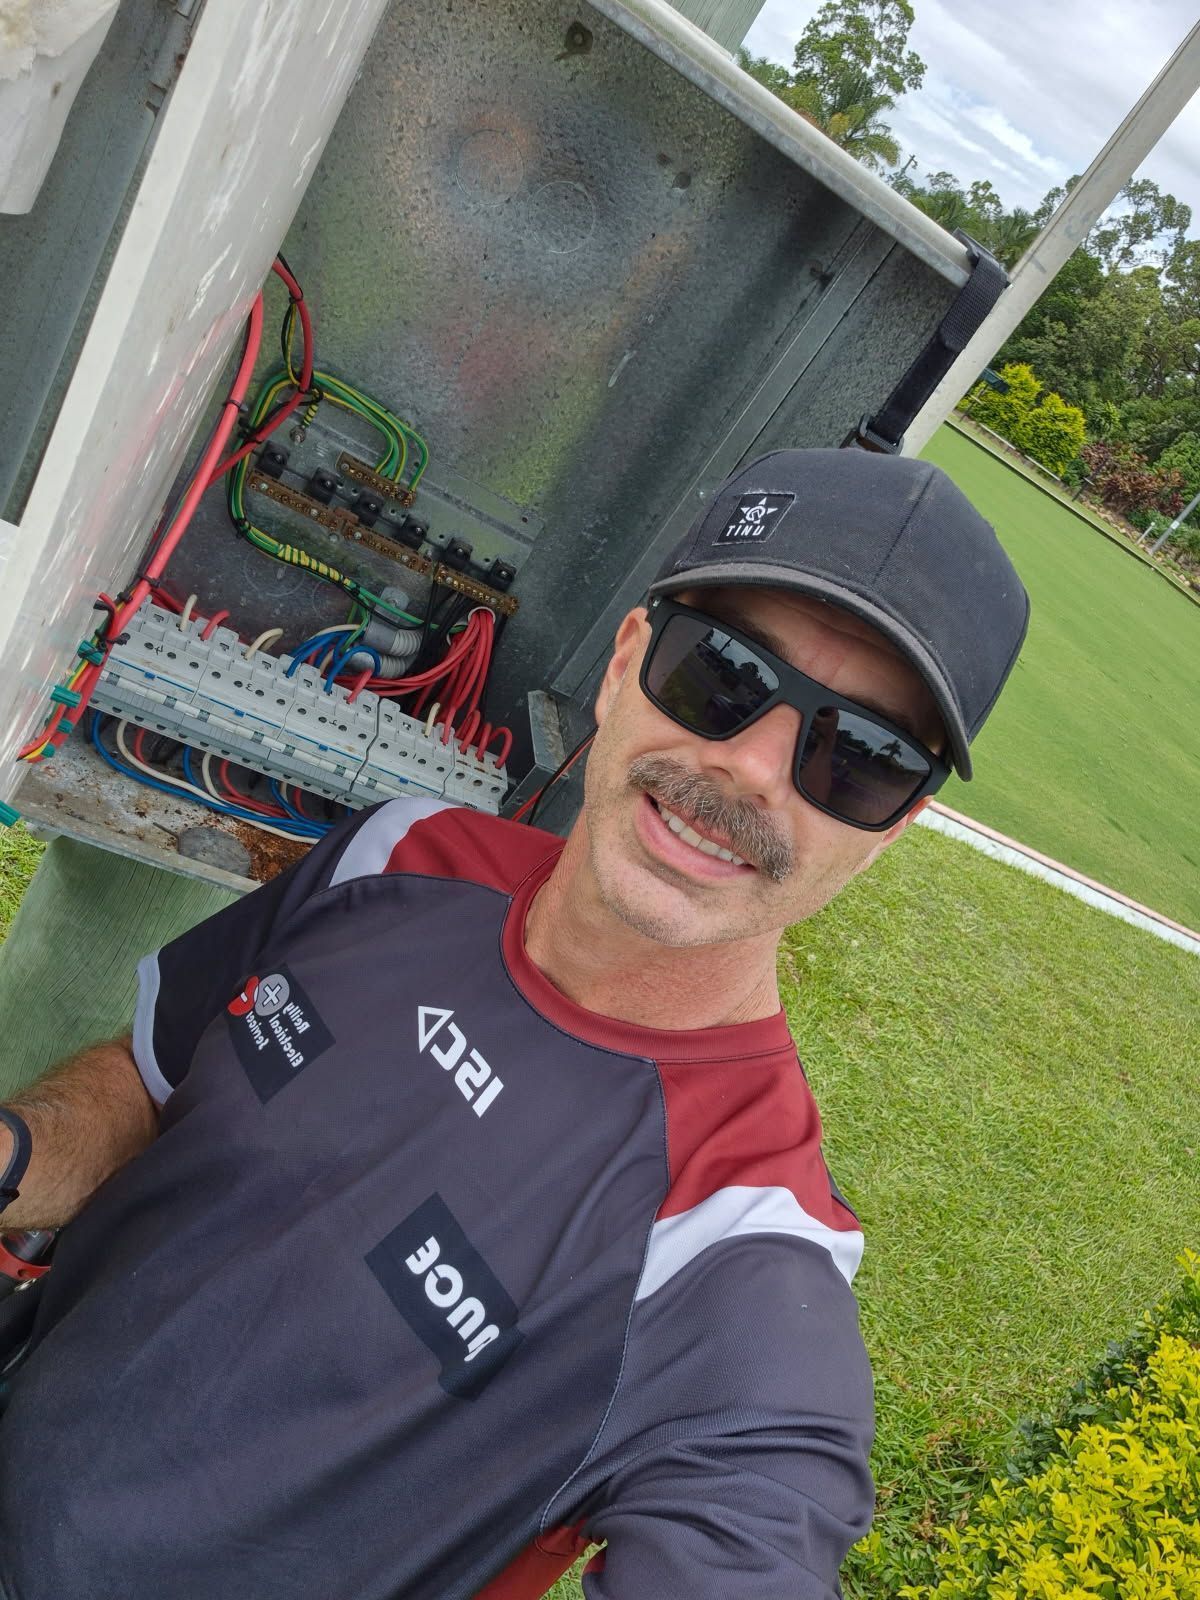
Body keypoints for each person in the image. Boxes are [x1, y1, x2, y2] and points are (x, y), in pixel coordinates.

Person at [0, 448, 1028, 1600]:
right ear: (627, 663)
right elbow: (146, 1083)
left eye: (860, 756)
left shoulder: (732, 1254)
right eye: (722, 674)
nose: (747, 766)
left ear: (890, 830)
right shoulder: (403, 852)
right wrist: (12, 1155)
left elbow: (755, 1517)